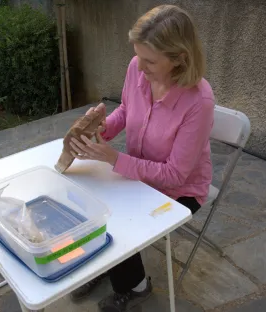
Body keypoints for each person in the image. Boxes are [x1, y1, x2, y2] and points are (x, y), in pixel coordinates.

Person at [69, 4, 214, 312]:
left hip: (180, 190)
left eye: (150, 61)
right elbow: (126, 109)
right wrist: (103, 126)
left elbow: (175, 175)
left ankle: (135, 286)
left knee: (115, 217)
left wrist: (114, 159)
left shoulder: (198, 100)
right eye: (138, 55)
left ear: (179, 58)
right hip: (139, 172)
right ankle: (105, 263)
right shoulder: (137, 66)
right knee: (86, 196)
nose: (140, 66)